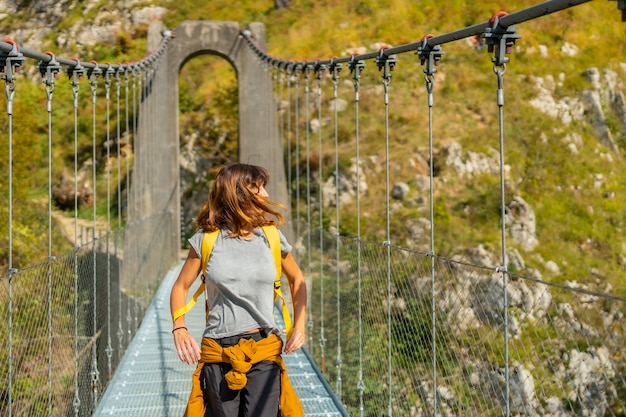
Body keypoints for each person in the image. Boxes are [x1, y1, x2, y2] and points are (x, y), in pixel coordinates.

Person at [170, 163, 307, 417]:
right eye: (258, 188)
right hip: (218, 352)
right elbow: (180, 286)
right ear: (238, 194)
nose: (266, 195)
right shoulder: (206, 239)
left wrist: (299, 325)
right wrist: (179, 328)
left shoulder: (271, 236)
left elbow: (297, 279)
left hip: (264, 349)